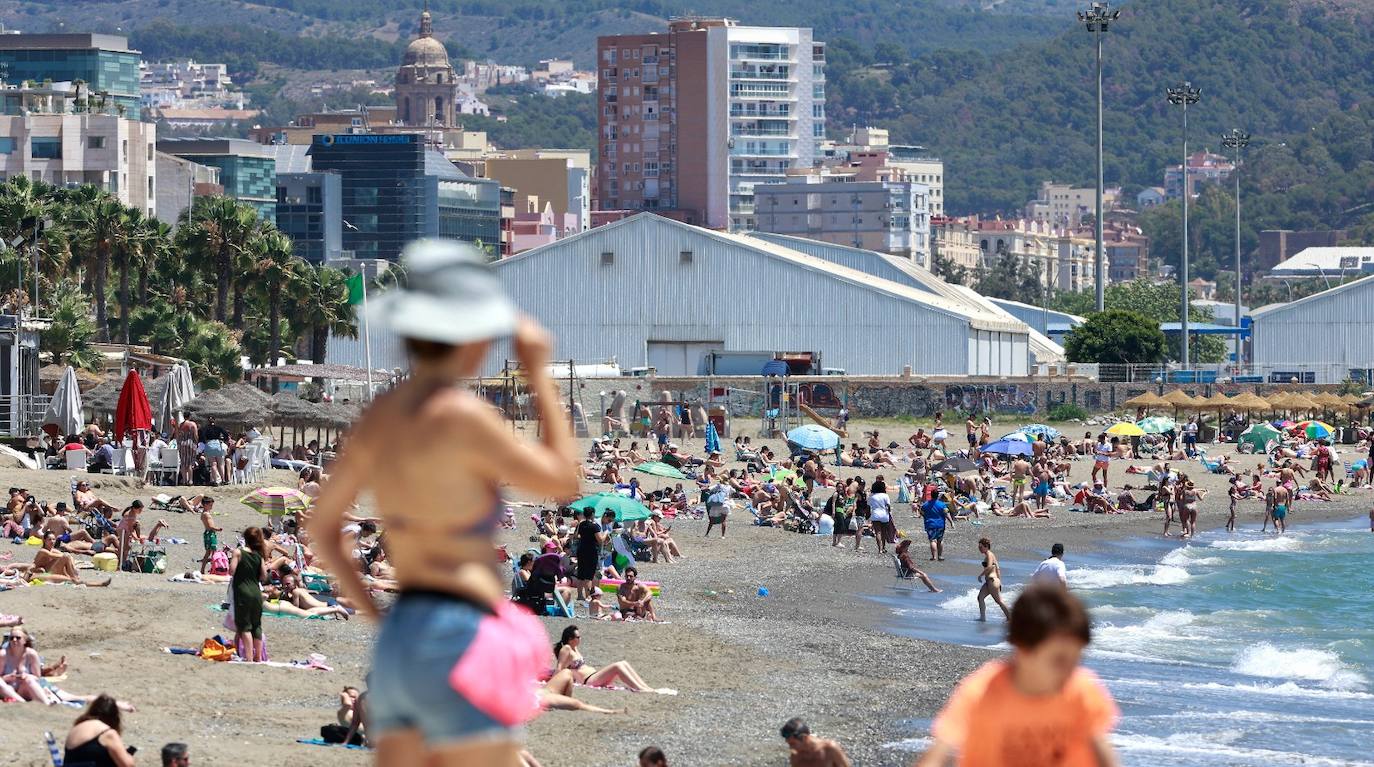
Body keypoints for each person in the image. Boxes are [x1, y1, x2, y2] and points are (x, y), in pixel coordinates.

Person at [307, 241, 580, 767]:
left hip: (402, 635)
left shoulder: (382, 413)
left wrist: (376, 617)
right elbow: (564, 479)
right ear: (472, 334)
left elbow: (322, 527)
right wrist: (540, 372)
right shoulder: (463, 416)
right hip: (461, 631)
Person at [916, 586, 1120, 767]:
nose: (1069, 671)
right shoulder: (983, 691)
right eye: (1059, 660)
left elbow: (1101, 748)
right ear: (1022, 648)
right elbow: (940, 752)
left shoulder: (1081, 689)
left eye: (1076, 660)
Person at [552, 625, 667, 693]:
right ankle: (640, 688)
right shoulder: (566, 649)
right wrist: (553, 683)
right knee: (618, 666)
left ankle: (645, 687)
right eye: (578, 637)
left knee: (623, 663)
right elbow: (559, 668)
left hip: (594, 676)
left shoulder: (575, 648)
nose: (580, 638)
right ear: (570, 639)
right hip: (589, 680)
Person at [64, 694, 136, 767]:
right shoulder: (107, 733)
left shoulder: (77, 727)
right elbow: (127, 765)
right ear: (114, 718)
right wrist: (129, 757)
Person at [230, 526, 269, 662]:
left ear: (245, 538)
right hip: (256, 593)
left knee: (244, 625)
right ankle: (258, 657)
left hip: (242, 591)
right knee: (256, 625)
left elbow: (231, 571)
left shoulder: (238, 552)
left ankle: (249, 657)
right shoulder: (259, 556)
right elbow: (264, 576)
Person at [780, 717, 851, 767]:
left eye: (793, 744)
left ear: (804, 738)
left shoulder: (829, 749)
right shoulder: (796, 756)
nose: (791, 747)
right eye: (789, 744)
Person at [976, 538, 1011, 622]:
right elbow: (998, 568)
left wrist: (980, 575)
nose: (979, 548)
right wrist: (999, 581)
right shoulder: (990, 555)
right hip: (991, 581)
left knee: (999, 601)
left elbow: (989, 567)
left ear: (986, 546)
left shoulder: (989, 554)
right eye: (979, 547)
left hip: (992, 580)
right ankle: (982, 618)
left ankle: (1010, 618)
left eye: (981, 547)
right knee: (980, 597)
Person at [921, 493, 953, 562]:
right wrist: (951, 522)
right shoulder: (942, 504)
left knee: (932, 540)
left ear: (931, 495)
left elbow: (922, 512)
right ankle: (940, 556)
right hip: (940, 524)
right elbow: (946, 513)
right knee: (940, 540)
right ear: (937, 496)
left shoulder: (926, 504)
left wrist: (926, 517)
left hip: (930, 524)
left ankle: (934, 556)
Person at [198, 498, 222, 574]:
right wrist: (218, 529)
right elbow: (210, 526)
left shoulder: (205, 513)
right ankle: (211, 569)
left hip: (209, 533)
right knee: (211, 553)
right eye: (210, 505)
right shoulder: (206, 514)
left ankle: (208, 569)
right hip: (210, 533)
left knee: (209, 553)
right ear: (205, 505)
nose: (211, 506)